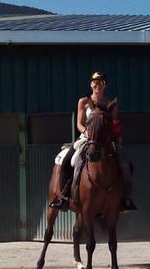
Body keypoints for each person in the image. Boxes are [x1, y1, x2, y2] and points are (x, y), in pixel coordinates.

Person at [51, 72, 136, 211]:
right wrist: (87, 132)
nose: (97, 85)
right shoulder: (83, 102)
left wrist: (116, 135)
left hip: (106, 139)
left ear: (104, 85)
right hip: (88, 138)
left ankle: (125, 199)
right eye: (95, 82)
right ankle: (64, 197)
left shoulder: (110, 104)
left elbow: (114, 123)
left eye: (101, 82)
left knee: (127, 165)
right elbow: (79, 123)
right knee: (68, 162)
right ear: (91, 85)